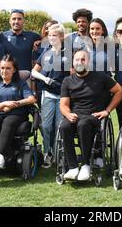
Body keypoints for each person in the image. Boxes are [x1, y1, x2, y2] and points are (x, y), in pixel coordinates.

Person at [59, 50, 122, 181]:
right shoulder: (67, 81)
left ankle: (85, 165)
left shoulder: (100, 77)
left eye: (83, 59)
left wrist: (107, 110)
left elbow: (120, 91)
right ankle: (72, 167)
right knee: (64, 127)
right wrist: (67, 114)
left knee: (83, 125)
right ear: (73, 62)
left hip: (94, 116)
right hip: (75, 115)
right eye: (77, 59)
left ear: (88, 61)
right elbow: (63, 104)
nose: (80, 62)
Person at [0, 54, 37, 168]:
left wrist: (15, 104)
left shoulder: (21, 83)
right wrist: (4, 104)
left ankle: (0, 156)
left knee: (8, 121)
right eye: (2, 68)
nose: (4, 71)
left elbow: (32, 99)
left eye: (8, 68)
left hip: (16, 115)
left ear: (14, 70)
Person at [31, 23, 70, 168]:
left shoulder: (69, 53)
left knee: (59, 126)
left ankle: (58, 154)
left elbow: (74, 74)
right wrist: (45, 78)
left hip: (63, 96)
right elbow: (33, 72)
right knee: (46, 126)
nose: (51, 38)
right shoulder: (45, 53)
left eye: (54, 35)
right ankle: (48, 152)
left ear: (60, 37)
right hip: (47, 94)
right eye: (49, 35)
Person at [0, 9, 41, 80]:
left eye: (19, 19)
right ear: (10, 21)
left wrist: (39, 42)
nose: (16, 21)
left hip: (26, 78)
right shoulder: (2, 37)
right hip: (7, 77)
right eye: (14, 19)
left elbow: (49, 38)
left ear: (24, 21)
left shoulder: (32, 36)